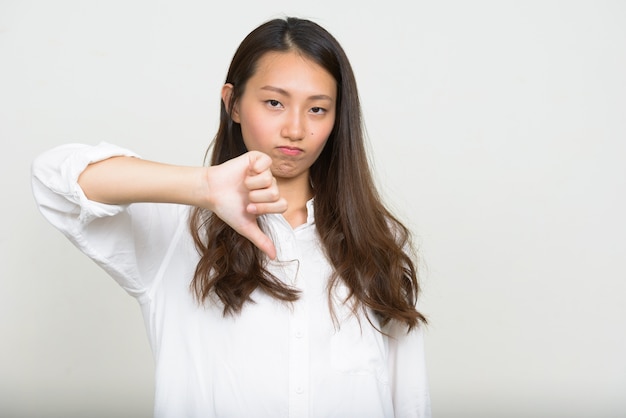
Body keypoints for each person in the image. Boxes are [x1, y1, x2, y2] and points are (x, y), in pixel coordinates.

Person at [32, 16, 431, 418]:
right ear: (233, 103)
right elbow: (53, 182)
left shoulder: (376, 241)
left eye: (317, 109)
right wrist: (204, 187)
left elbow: (409, 399)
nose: (295, 128)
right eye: (274, 103)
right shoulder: (178, 230)